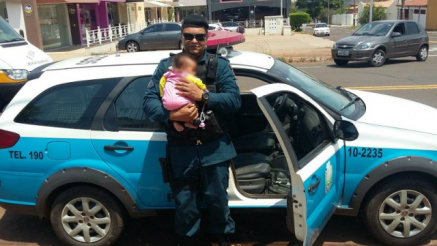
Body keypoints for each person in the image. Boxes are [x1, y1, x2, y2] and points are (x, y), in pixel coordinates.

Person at [143, 14, 241, 246]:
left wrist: (204, 96)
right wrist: (172, 115)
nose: (194, 41)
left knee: (217, 199)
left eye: (199, 36)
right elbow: (148, 102)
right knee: (185, 202)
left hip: (214, 149)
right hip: (181, 150)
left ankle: (222, 235)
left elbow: (235, 102)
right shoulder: (166, 67)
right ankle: (190, 238)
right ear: (182, 37)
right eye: (189, 36)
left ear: (207, 38)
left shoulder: (220, 66)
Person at [159, 53, 206, 132]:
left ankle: (175, 122)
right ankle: (189, 122)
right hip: (181, 102)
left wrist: (162, 95)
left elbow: (161, 83)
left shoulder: (167, 74)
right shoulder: (185, 75)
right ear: (184, 68)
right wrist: (204, 90)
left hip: (167, 104)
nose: (194, 73)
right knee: (193, 105)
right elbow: (197, 81)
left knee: (175, 110)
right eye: (193, 70)